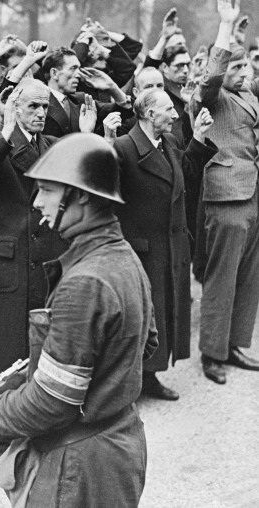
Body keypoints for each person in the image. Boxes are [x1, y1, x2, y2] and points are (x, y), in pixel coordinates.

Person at [0, 133, 158, 508]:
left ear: (79, 196)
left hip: (77, 466)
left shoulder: (85, 282)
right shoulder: (121, 257)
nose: (37, 201)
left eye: (46, 190)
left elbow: (52, 402)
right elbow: (146, 344)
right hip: (115, 448)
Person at [0, 78, 67, 472]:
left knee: (36, 356)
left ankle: (31, 432)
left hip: (40, 264)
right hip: (4, 267)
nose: (40, 114)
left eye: (45, 107)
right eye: (32, 107)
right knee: (0, 358)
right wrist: (5, 131)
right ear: (15, 107)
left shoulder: (50, 144)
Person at [105, 90, 217, 400]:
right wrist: (106, 142)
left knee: (162, 315)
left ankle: (149, 376)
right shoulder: (124, 147)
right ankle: (125, 389)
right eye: (168, 109)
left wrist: (199, 136)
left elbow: (185, 176)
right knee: (139, 320)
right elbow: (103, 189)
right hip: (140, 251)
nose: (175, 114)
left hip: (169, 247)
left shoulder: (168, 143)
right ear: (149, 115)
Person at [192, 0, 259, 384]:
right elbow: (212, 74)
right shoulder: (213, 96)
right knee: (222, 276)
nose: (242, 71)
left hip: (252, 193)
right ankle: (212, 353)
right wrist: (225, 26)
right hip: (226, 195)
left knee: (248, 276)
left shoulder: (247, 94)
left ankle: (234, 344)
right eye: (235, 66)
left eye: (244, 65)